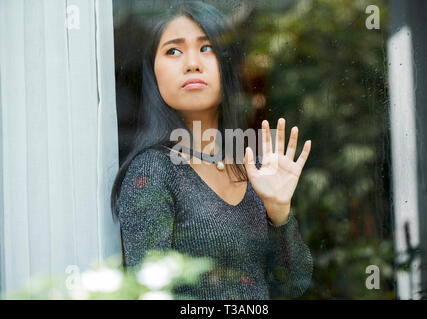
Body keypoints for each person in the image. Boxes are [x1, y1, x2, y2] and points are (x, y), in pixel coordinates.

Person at [110, 0, 313, 300]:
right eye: (173, 51)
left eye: (206, 48)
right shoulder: (153, 172)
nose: (192, 63)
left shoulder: (255, 166)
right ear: (153, 74)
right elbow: (149, 293)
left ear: (226, 63)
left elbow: (293, 284)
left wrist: (279, 213)